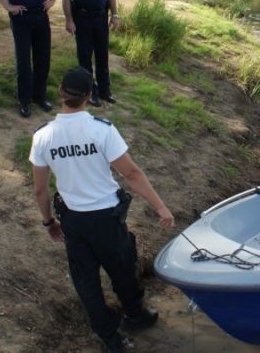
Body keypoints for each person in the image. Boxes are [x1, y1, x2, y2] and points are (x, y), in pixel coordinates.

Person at [30, 67, 174, 352]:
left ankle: (110, 339)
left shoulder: (43, 137)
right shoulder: (101, 131)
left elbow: (40, 189)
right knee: (122, 268)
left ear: (60, 93)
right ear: (88, 96)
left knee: (86, 283)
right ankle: (135, 315)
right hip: (107, 218)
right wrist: (161, 208)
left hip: (72, 220)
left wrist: (49, 223)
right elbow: (131, 174)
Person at [61, 0, 120, 106]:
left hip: (101, 17)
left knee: (102, 55)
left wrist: (114, 14)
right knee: (85, 57)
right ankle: (90, 92)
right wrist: (69, 20)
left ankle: (104, 90)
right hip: (82, 18)